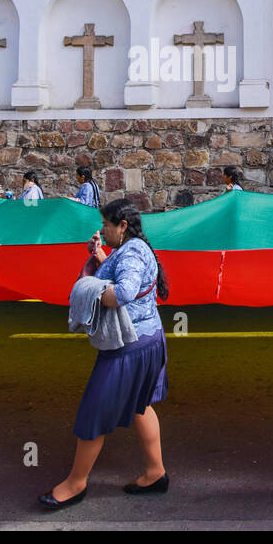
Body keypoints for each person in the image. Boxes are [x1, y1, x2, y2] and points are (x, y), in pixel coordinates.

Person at [42, 199, 168, 509]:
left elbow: (123, 292)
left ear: (122, 226)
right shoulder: (132, 249)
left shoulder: (134, 252)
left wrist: (89, 290)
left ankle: (76, 483)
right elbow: (124, 276)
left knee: (93, 414)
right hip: (147, 339)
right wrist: (99, 258)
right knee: (141, 406)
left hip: (128, 347)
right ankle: (155, 472)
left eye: (106, 225)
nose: (102, 229)